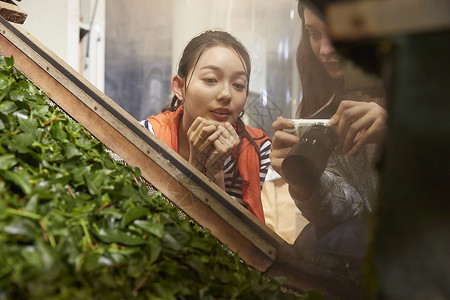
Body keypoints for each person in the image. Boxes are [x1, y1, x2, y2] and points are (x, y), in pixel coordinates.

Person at [270, 0, 387, 256]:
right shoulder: (323, 104)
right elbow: (349, 211)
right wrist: (304, 181)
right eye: (314, 34)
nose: (324, 49)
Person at [141, 30, 271, 223]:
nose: (226, 94)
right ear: (179, 88)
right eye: (211, 80)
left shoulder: (256, 148)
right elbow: (154, 230)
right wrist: (195, 166)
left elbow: (234, 243)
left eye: (238, 85)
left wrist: (216, 173)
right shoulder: (147, 136)